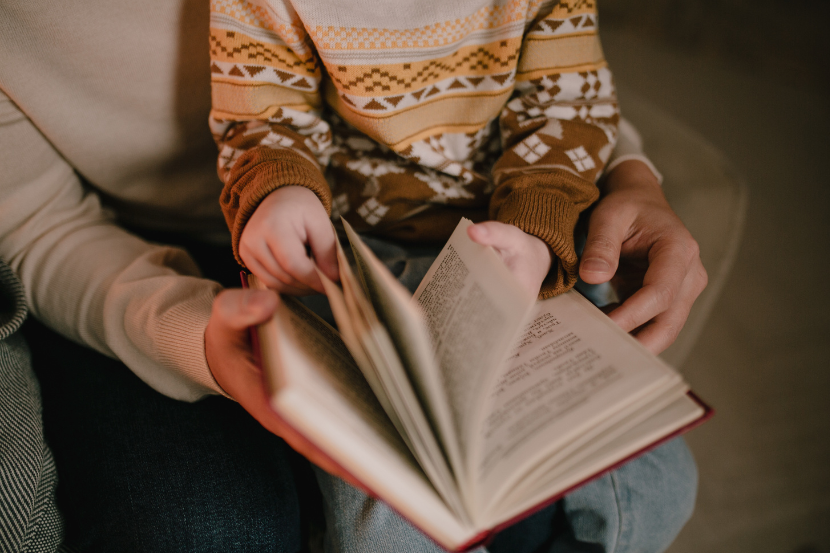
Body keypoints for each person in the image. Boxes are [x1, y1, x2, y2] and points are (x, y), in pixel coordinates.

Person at [0, 0, 705, 550]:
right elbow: (264, 113)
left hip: (519, 242)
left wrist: (549, 220)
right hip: (352, 255)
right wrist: (278, 192)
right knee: (384, 504)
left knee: (657, 482)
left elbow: (568, 103)